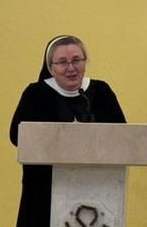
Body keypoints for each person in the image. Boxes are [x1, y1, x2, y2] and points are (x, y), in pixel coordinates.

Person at [9, 35, 126, 227]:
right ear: (51, 67)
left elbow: (122, 137)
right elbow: (17, 136)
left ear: (85, 62)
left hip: (97, 189)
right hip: (43, 189)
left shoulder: (101, 92)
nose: (71, 68)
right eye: (63, 62)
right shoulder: (35, 94)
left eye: (76, 60)